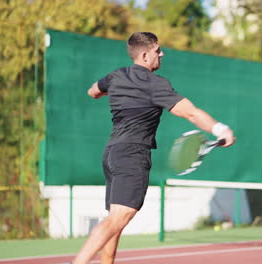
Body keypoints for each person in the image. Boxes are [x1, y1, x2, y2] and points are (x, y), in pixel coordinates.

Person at [73, 32, 235, 264]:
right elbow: (190, 112)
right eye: (158, 50)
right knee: (118, 219)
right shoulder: (154, 84)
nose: (162, 54)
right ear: (145, 55)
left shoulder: (116, 76)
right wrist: (221, 129)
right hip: (132, 154)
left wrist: (116, 91)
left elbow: (93, 91)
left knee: (114, 222)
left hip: (112, 154)